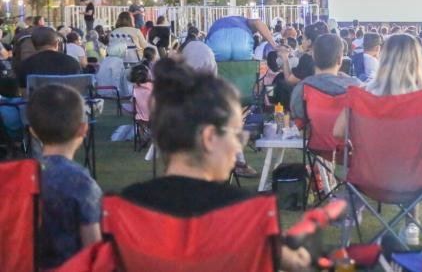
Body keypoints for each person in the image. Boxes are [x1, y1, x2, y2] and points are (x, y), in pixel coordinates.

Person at [120, 58, 310, 271]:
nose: (237, 145)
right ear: (210, 137)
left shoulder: (124, 208)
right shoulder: (245, 212)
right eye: (236, 134)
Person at [333, 34, 422, 245]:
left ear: (383, 58)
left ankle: (407, 225)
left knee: (405, 159)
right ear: (416, 61)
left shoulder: (361, 94)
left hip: (368, 178)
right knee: (418, 159)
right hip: (417, 181)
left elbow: (338, 132)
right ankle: (412, 225)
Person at [28, 84, 102, 268]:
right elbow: (94, 250)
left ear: (33, 132)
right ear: (83, 129)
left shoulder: (19, 180)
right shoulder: (81, 183)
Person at [289, 34, 361, 122]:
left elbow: (298, 120)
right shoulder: (357, 87)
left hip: (314, 135)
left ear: (313, 57)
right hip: (346, 135)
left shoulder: (301, 88)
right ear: (339, 59)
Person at [18, 28, 82, 90]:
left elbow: (25, 96)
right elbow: (79, 91)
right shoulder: (73, 63)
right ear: (57, 43)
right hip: (67, 100)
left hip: (38, 100)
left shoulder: (25, 65)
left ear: (34, 45)